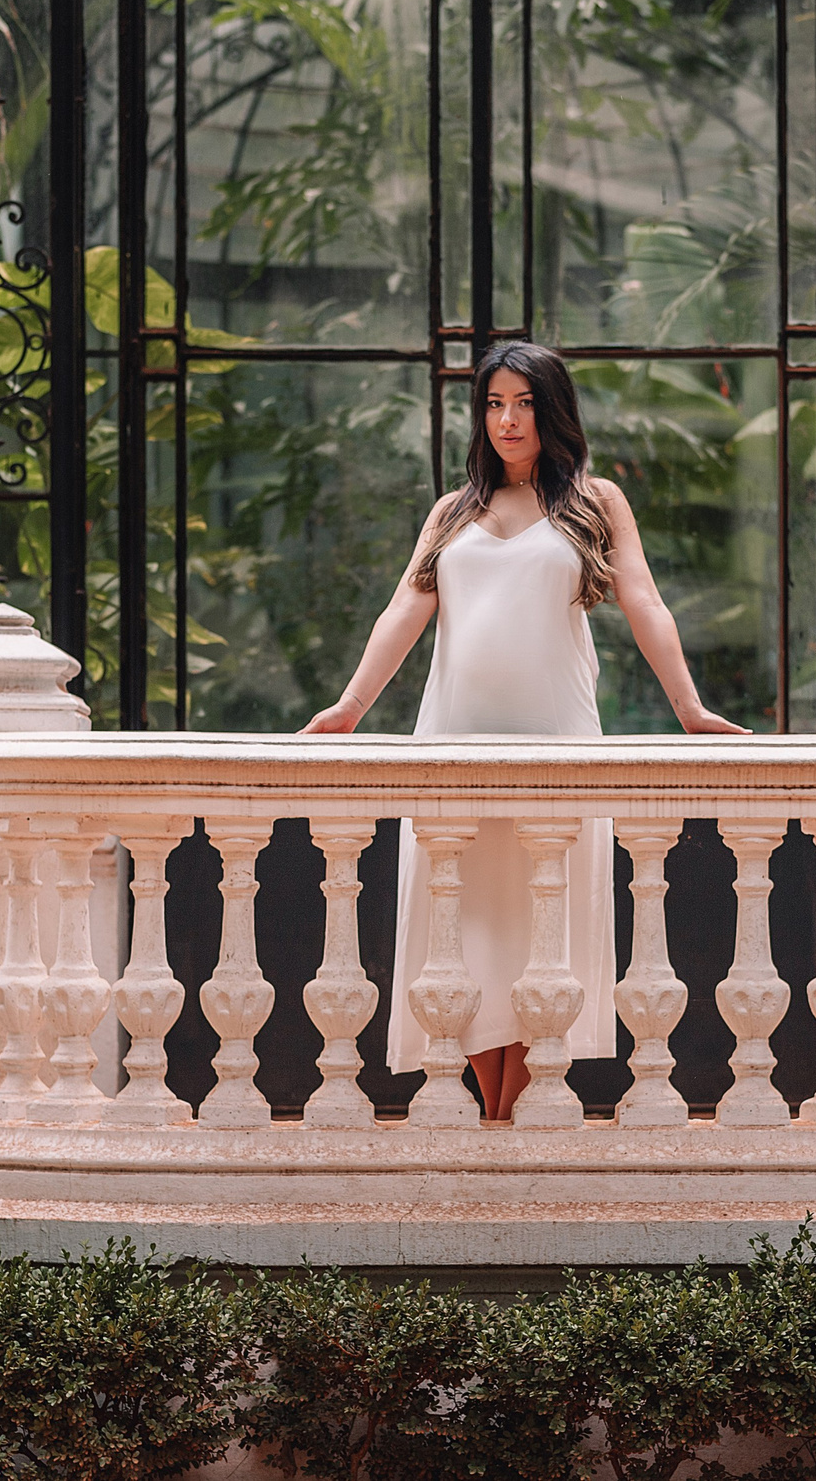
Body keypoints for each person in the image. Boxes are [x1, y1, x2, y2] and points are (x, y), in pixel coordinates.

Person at [300, 341, 745, 1121]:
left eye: (525, 403)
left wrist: (690, 709)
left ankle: (506, 1113)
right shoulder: (454, 511)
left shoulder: (596, 502)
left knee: (537, 921)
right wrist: (349, 708)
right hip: (454, 738)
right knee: (463, 920)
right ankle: (497, 1109)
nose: (508, 420)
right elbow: (405, 610)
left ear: (553, 409)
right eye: (495, 404)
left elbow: (643, 600)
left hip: (555, 739)